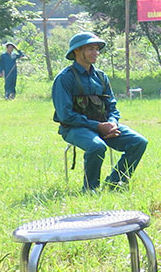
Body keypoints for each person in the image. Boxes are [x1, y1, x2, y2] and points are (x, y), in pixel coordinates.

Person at [52, 32, 147, 191]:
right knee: (97, 146)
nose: (95, 53)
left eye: (97, 49)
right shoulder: (64, 78)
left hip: (104, 126)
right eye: (90, 49)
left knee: (138, 142)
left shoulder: (101, 77)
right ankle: (90, 189)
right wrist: (97, 126)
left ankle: (115, 182)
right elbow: (65, 115)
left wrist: (112, 123)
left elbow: (112, 106)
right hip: (75, 128)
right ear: (77, 51)